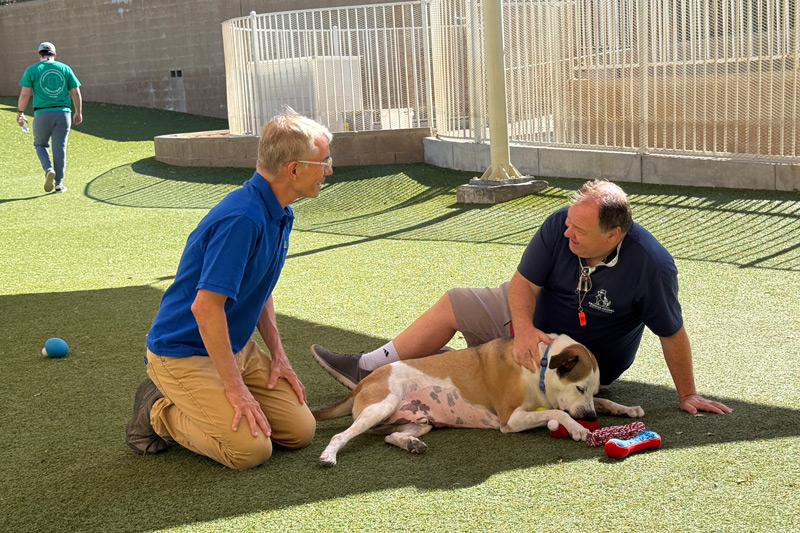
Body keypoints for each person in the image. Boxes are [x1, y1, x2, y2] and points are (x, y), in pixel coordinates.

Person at [312, 179, 732, 416]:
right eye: (569, 223)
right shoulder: (558, 226)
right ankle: (369, 365)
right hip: (531, 321)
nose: (567, 233)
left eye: (579, 231)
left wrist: (687, 393)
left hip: (579, 360)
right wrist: (526, 330)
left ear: (614, 235)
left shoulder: (652, 266)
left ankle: (458, 369)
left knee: (505, 373)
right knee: (455, 302)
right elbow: (521, 286)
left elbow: (671, 332)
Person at [125, 112, 333, 469]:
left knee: (300, 432)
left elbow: (260, 285)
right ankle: (158, 409)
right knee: (251, 452)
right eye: (324, 162)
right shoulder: (243, 219)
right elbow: (205, 308)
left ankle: (214, 397)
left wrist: (278, 354)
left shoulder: (280, 211)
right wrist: (235, 388)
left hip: (233, 347)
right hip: (183, 352)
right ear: (294, 169)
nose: (328, 170)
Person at [16, 42, 83, 193]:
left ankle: (48, 169)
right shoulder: (65, 68)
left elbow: (25, 94)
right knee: (60, 148)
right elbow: (76, 92)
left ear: (39, 55)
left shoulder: (32, 70)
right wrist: (78, 112)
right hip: (63, 113)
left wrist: (20, 112)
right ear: (55, 54)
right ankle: (59, 184)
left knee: (40, 145)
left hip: (42, 113)